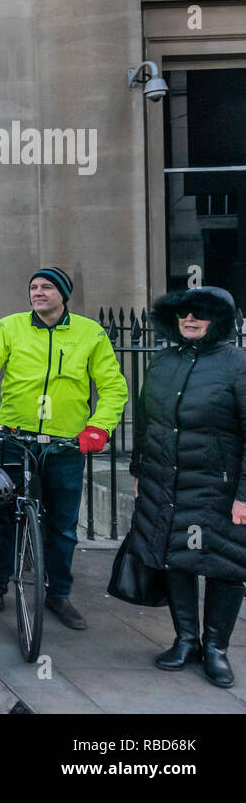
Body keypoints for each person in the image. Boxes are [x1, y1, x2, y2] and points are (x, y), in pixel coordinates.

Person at [0, 267, 127, 630]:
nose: (38, 292)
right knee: (1, 520)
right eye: (33, 287)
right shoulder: (10, 326)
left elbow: (113, 386)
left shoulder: (90, 332)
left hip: (65, 445)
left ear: (63, 294)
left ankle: (58, 594)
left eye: (47, 287)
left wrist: (99, 427)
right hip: (14, 441)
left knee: (63, 527)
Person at [128, 287, 246, 687]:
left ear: (219, 320)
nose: (190, 319)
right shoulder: (164, 360)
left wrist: (244, 496)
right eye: (183, 313)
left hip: (219, 488)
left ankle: (216, 649)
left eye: (200, 313)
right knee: (176, 558)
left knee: (225, 565)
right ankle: (186, 640)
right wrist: (140, 471)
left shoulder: (238, 364)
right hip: (166, 480)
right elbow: (145, 420)